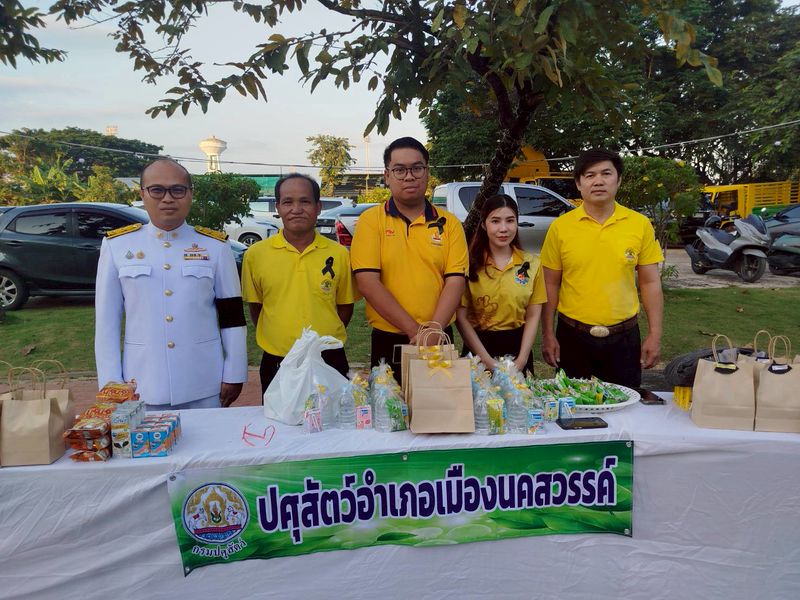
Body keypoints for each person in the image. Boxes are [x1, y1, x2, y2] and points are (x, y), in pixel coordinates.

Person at [95, 158, 248, 409]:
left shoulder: (215, 246)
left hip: (203, 381)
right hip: (141, 384)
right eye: (157, 190)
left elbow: (232, 317)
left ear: (190, 194)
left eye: (178, 190)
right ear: (142, 194)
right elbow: (106, 323)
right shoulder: (117, 246)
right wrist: (111, 383)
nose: (167, 199)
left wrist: (234, 372)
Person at [539, 148, 664, 388]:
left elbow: (650, 282)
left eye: (606, 173)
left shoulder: (639, 225)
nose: (598, 181)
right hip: (572, 337)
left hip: (624, 338)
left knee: (626, 406)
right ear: (579, 184)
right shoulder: (560, 228)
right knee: (575, 405)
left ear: (618, 180)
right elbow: (549, 284)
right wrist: (548, 335)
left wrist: (655, 335)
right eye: (590, 175)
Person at [351, 136, 468, 379]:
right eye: (400, 170)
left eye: (417, 168)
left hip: (439, 336)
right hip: (388, 339)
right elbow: (368, 283)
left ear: (427, 173)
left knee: (440, 402)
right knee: (389, 402)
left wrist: (433, 331)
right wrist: (415, 331)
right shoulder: (371, 221)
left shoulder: (450, 224)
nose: (409, 176)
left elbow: (456, 281)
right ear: (387, 175)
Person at [241, 173, 354, 395]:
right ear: (278, 207)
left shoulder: (339, 254)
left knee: (335, 415)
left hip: (329, 357)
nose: (296, 209)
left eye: (305, 201)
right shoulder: (256, 255)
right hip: (278, 358)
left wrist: (322, 339)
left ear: (318, 207)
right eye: (288, 202)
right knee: (278, 415)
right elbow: (256, 307)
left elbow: (345, 306)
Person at [456, 194, 547, 374]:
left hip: (517, 349)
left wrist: (521, 360)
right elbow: (461, 317)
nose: (503, 228)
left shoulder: (532, 264)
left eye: (510, 221)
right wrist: (487, 361)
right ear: (484, 225)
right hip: (478, 350)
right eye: (495, 221)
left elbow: (533, 316)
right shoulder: (468, 265)